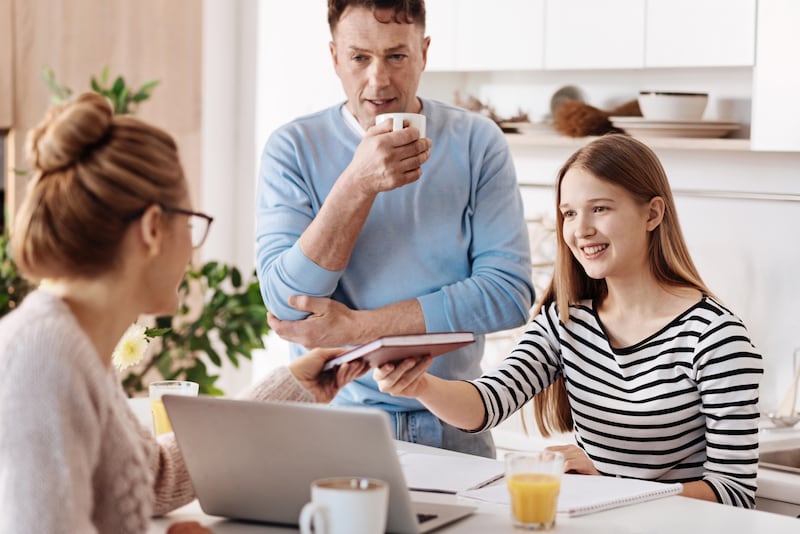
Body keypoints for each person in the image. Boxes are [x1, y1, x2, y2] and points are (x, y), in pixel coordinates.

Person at [0, 92, 367, 534]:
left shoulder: (77, 347)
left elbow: (155, 478)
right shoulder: (44, 360)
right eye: (191, 224)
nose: (194, 251)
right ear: (154, 228)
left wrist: (289, 387)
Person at [374, 133, 764, 508]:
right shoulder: (566, 323)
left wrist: (614, 486)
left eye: (601, 208)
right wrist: (419, 384)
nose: (580, 230)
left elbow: (732, 492)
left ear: (653, 213)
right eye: (569, 213)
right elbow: (487, 403)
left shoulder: (714, 338)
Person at [256, 0, 534, 458]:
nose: (378, 80)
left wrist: (356, 329)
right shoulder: (293, 148)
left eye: (397, 56)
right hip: (335, 427)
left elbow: (507, 294)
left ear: (424, 53)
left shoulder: (478, 142)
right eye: (359, 57)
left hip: (454, 424)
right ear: (334, 57)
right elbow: (288, 305)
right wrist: (357, 185)